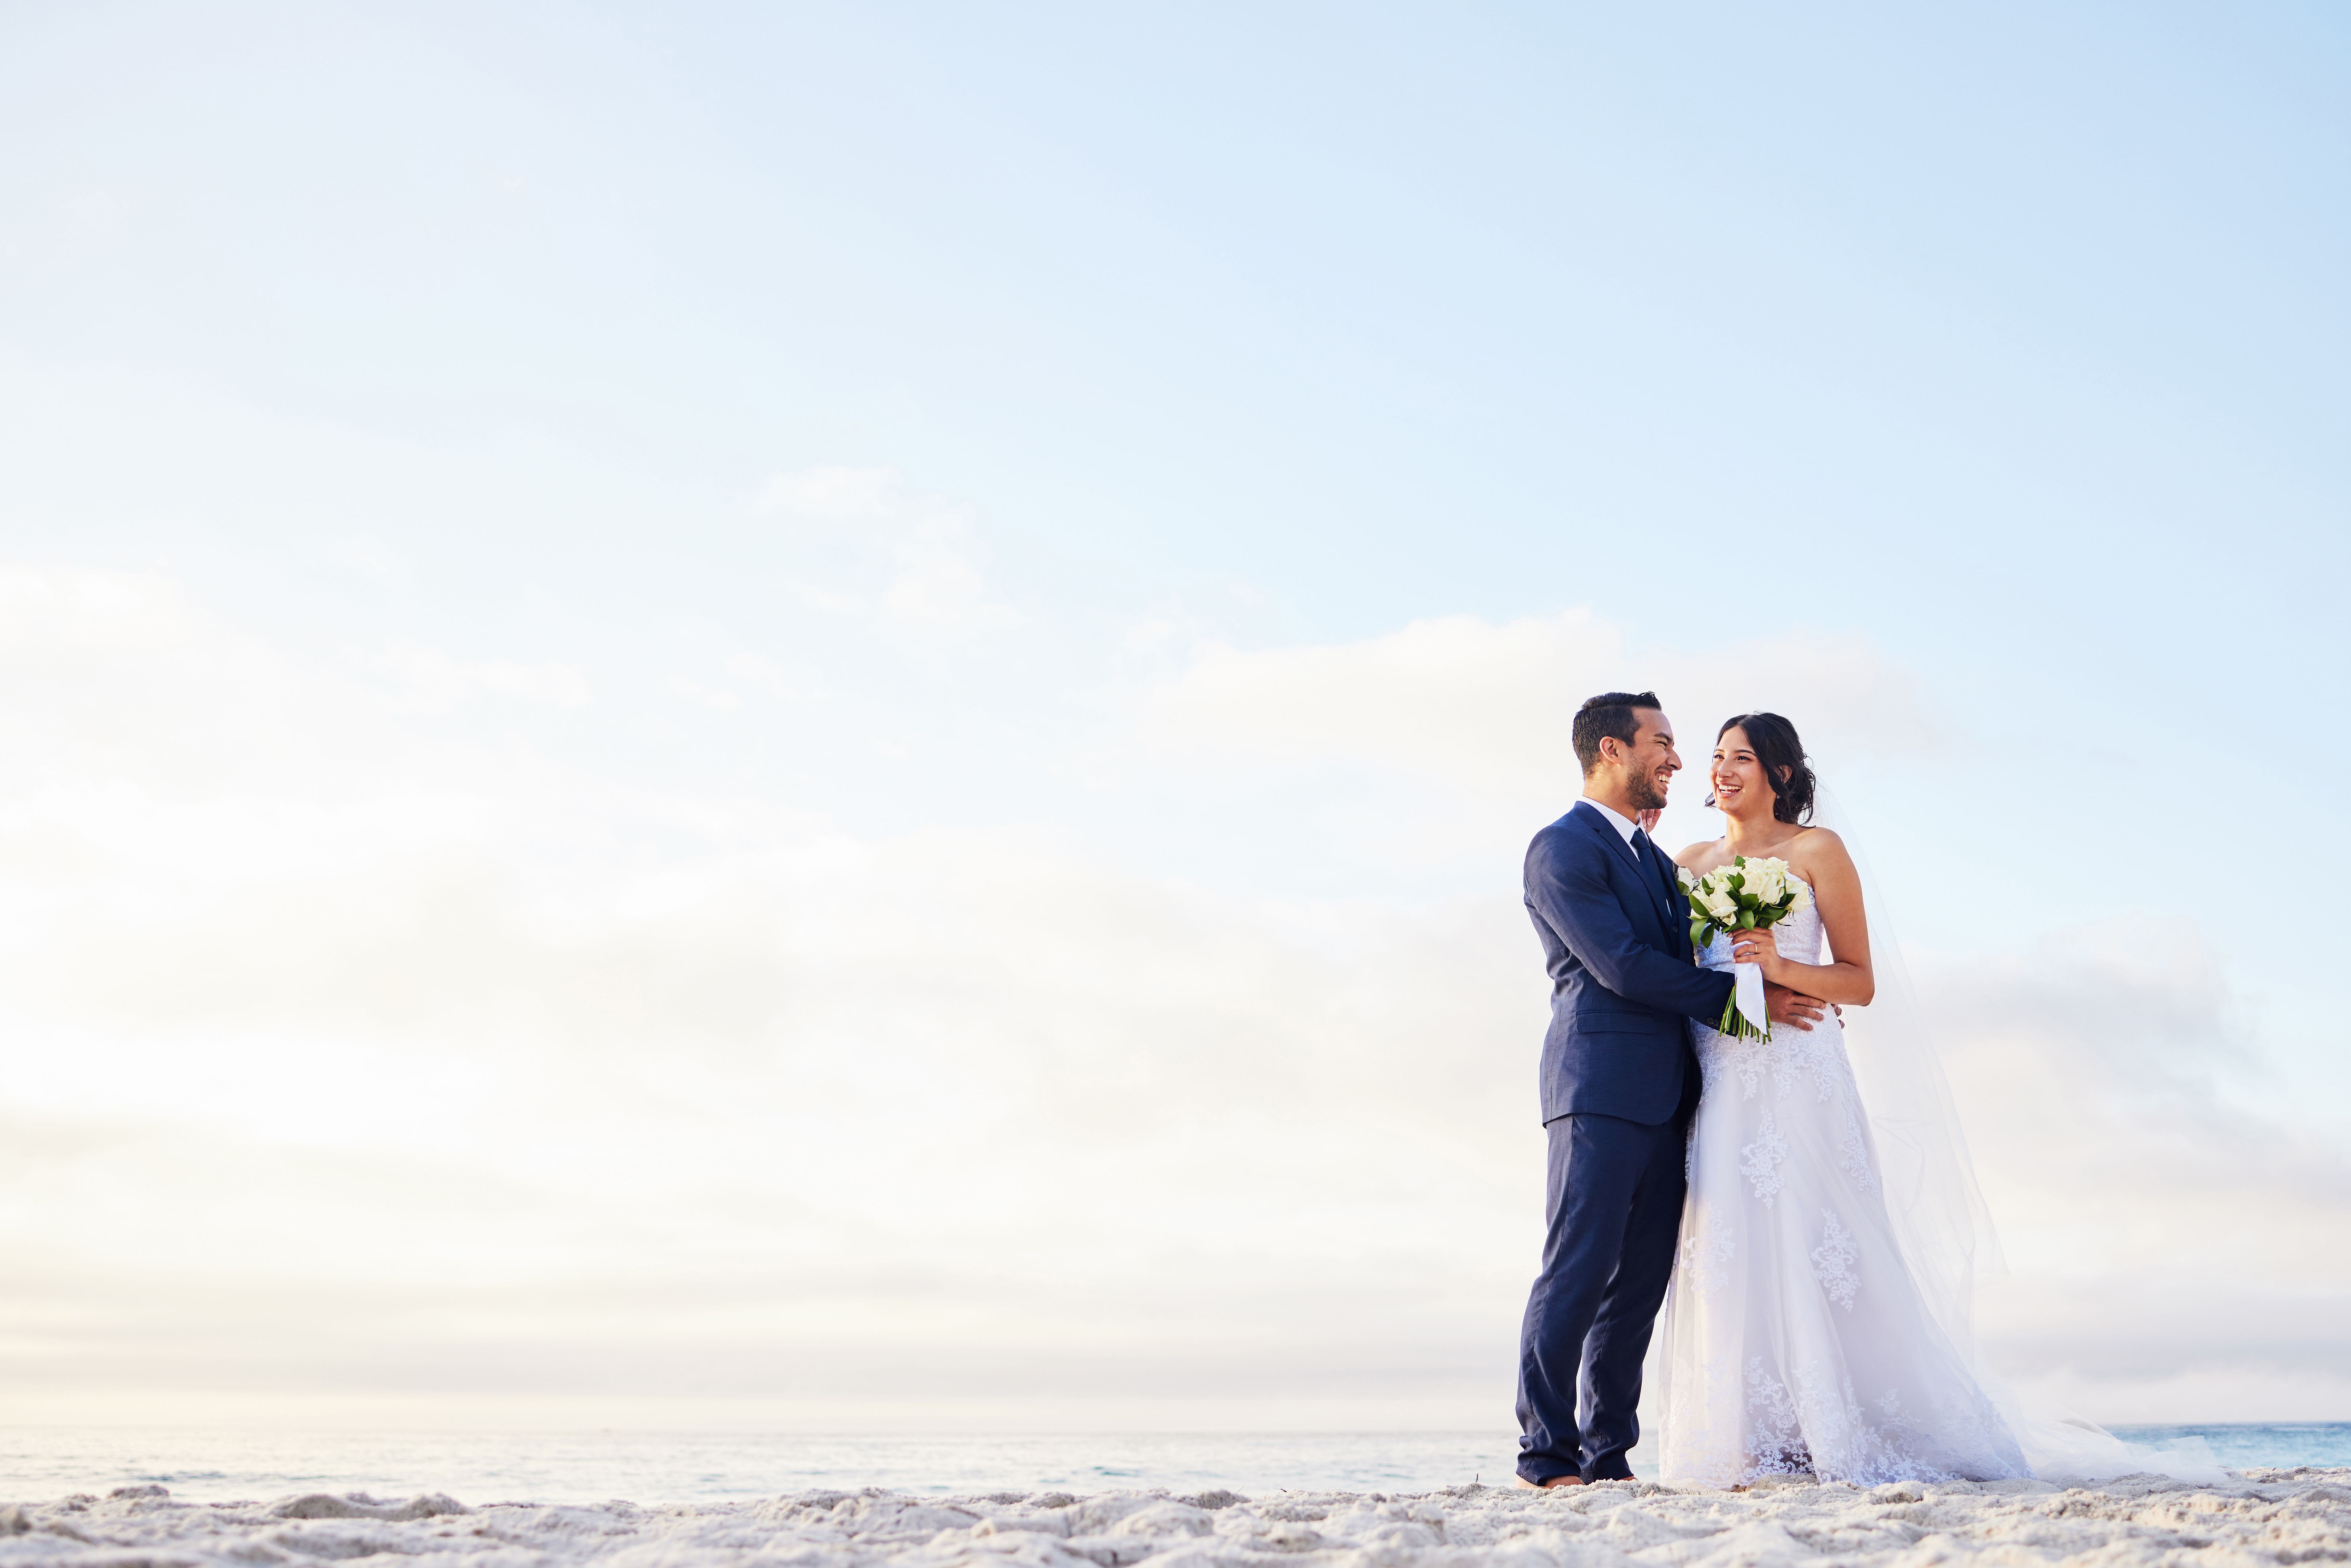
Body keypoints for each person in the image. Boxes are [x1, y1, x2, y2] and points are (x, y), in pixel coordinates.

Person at [1652, 712, 2027, 1486]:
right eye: (1717, 757)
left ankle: (1842, 1424)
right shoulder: (1687, 863)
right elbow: (1674, 978)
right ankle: (1755, 1440)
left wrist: (1781, 967)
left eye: (1743, 758)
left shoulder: (1815, 850)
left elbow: (1858, 979)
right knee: (1728, 1241)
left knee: (1817, 1234)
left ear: (1780, 773)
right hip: (1722, 1072)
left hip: (1798, 1074)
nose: (1722, 770)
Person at [1514, 692, 1828, 1488]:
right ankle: (1543, 1455)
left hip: (1673, 1098)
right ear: (1613, 750)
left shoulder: (1658, 863)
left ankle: (1606, 1455)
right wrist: (1746, 1008)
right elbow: (1620, 966)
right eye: (1662, 743)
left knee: (1639, 1287)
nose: (1679, 761)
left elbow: (1695, 959)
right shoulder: (1561, 849)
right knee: (1578, 1268)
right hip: (1598, 1088)